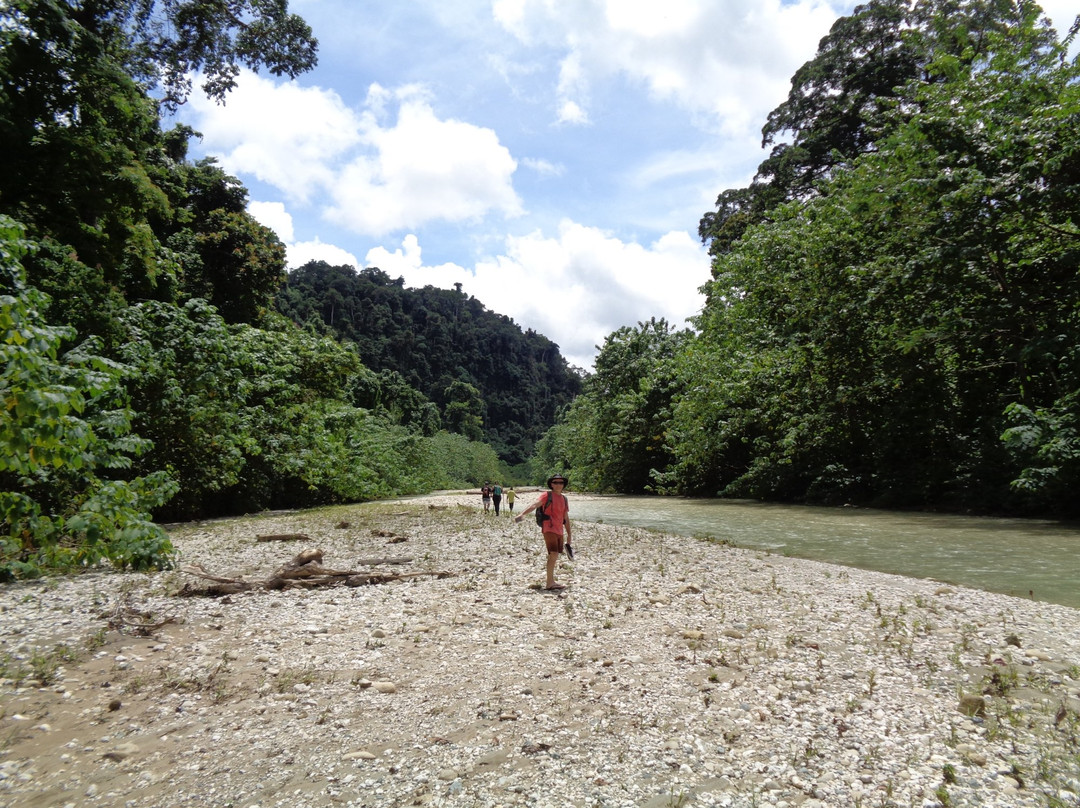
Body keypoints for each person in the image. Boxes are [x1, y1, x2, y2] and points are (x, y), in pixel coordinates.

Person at [515, 474, 573, 590]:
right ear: (551, 484)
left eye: (561, 482)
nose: (558, 484)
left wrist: (569, 535)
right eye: (556, 482)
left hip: (559, 530)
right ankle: (549, 583)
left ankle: (551, 581)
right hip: (549, 528)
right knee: (553, 554)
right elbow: (534, 504)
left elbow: (565, 517)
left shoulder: (564, 499)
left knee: (554, 555)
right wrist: (522, 514)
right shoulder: (547, 495)